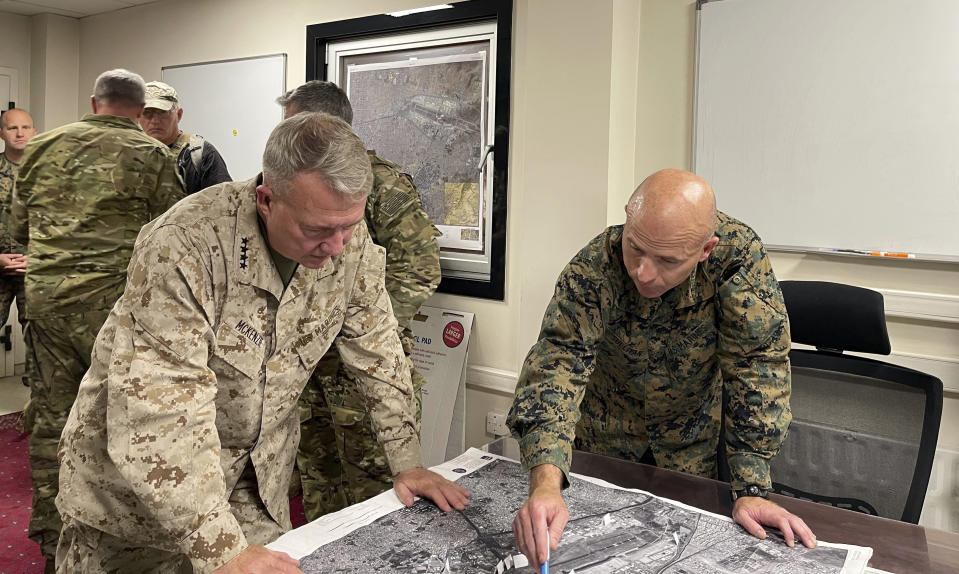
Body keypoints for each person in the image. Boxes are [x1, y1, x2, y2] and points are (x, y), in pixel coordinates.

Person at [55, 112, 467, 574]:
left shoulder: (345, 239)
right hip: (139, 504)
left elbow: (379, 352)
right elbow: (159, 410)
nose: (336, 246)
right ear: (267, 200)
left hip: (251, 489)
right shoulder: (186, 244)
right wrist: (219, 549)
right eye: (316, 230)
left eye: (347, 226)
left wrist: (407, 462)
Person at [507, 169, 817, 568]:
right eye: (635, 248)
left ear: (706, 249)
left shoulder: (736, 260)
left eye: (667, 260)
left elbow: (757, 368)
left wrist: (751, 488)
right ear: (628, 218)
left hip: (688, 450)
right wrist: (546, 483)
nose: (643, 272)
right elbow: (557, 365)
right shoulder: (594, 267)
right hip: (602, 447)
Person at [9, 69, 184, 567]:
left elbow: (19, 225)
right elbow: (167, 235)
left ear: (93, 101)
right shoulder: (153, 156)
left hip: (46, 303)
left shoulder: (41, 148)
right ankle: (113, 543)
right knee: (119, 423)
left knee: (52, 419)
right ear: (139, 107)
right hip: (111, 311)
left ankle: (49, 538)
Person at [277, 80, 443, 519]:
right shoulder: (291, 189)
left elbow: (420, 269)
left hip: (366, 374)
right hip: (310, 372)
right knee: (318, 490)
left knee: (379, 499)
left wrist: (352, 320)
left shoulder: (381, 184)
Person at [0, 108, 37, 432]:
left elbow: (59, 221)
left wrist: (37, 256)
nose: (20, 133)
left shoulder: (46, 172)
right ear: (2, 133)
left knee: (40, 343)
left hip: (35, 269)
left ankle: (35, 414)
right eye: (13, 128)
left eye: (26, 127)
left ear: (34, 131)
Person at [139, 80, 232, 193]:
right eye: (147, 113)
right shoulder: (130, 154)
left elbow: (225, 202)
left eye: (163, 113)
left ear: (179, 115)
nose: (155, 121)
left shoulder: (201, 154)